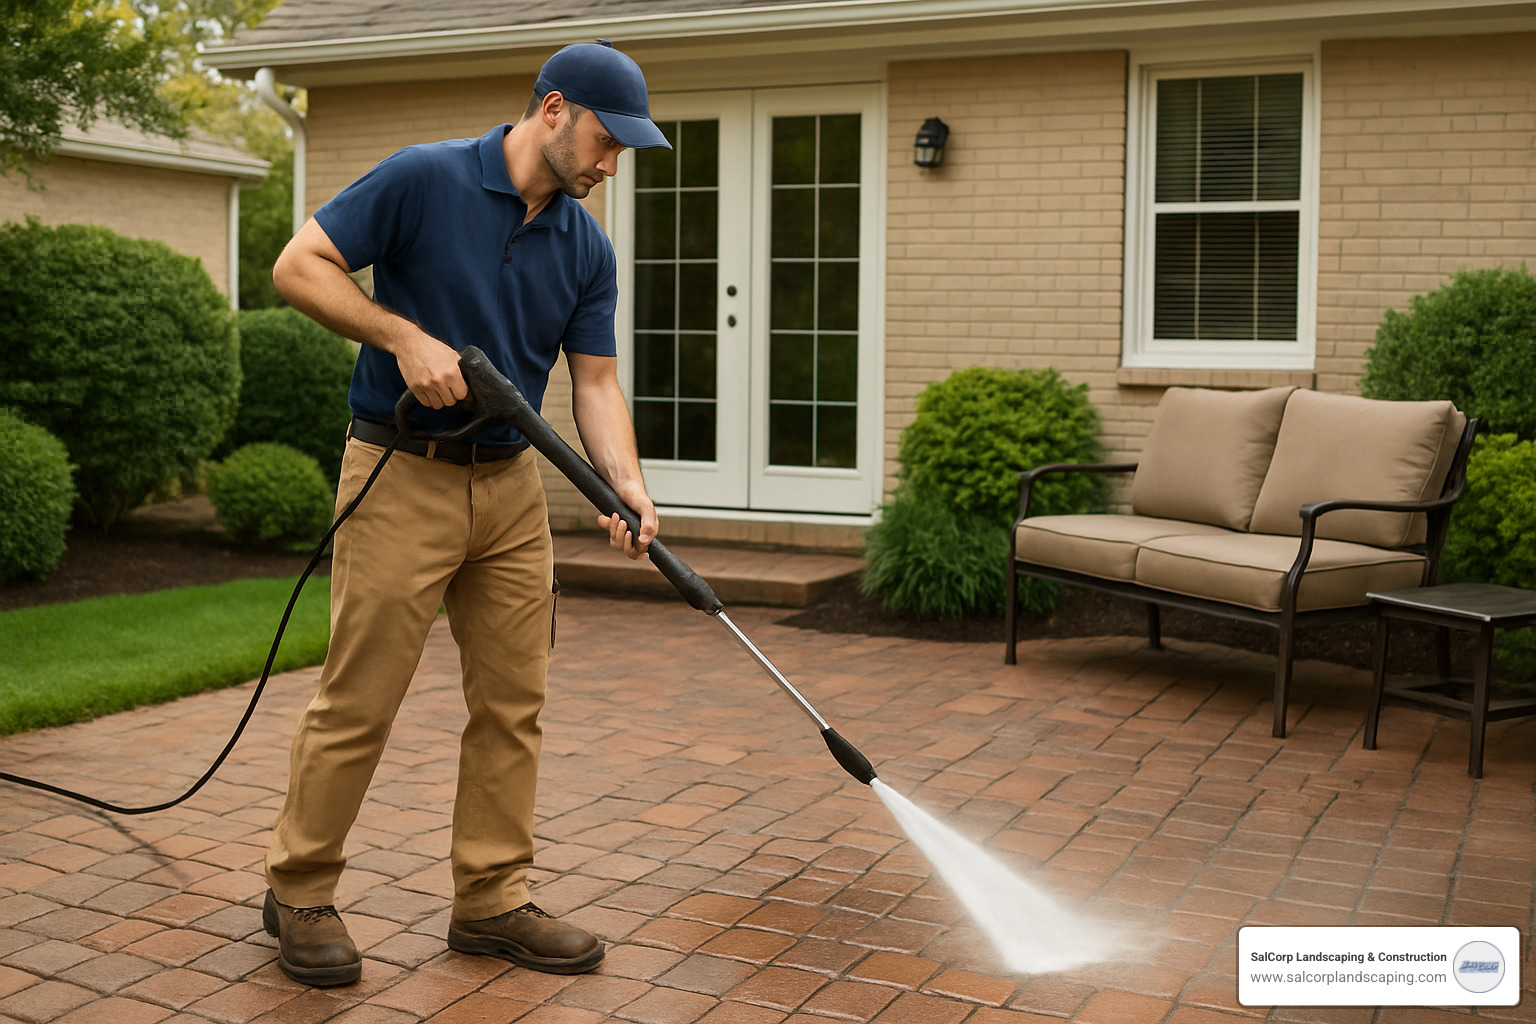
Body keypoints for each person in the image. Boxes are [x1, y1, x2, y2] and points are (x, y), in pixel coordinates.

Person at [259, 41, 669, 987]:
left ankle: (490, 900)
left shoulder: (586, 244)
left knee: (514, 704)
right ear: (555, 109)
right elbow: (298, 265)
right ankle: (301, 890)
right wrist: (402, 336)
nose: (611, 169)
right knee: (361, 700)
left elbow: (596, 385)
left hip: (511, 490)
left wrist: (628, 484)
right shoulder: (424, 178)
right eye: (609, 144)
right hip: (400, 473)